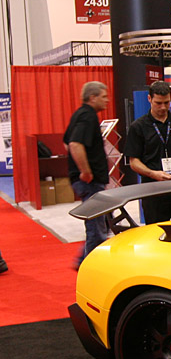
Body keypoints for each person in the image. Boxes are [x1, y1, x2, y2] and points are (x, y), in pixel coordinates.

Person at [124, 81, 171, 222]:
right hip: (153, 191)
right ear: (149, 99)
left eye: (166, 102)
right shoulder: (138, 127)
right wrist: (153, 173)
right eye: (158, 103)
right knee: (157, 233)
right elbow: (134, 162)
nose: (163, 107)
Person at [64, 81, 111, 267]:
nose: (107, 100)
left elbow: (66, 142)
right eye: (103, 96)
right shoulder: (87, 116)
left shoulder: (79, 114)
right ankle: (89, 265)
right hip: (90, 181)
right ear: (93, 97)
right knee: (96, 226)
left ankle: (84, 260)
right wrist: (85, 170)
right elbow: (74, 144)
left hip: (90, 180)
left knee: (102, 223)